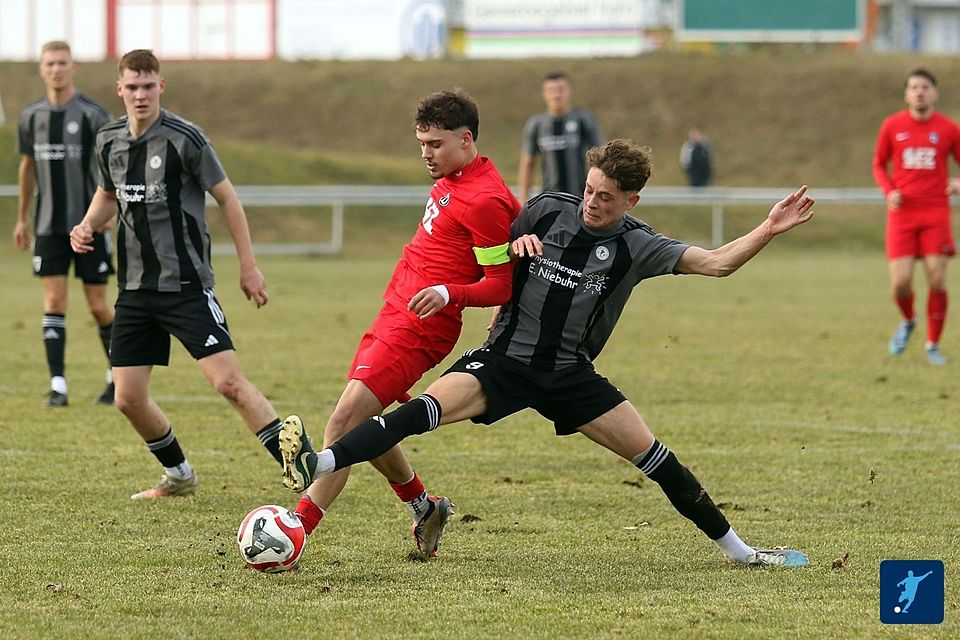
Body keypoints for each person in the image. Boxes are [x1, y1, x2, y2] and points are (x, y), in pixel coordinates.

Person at [280, 140, 814, 568]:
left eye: (607, 196)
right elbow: (494, 264)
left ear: (632, 201)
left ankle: (742, 553)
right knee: (416, 415)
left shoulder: (637, 244)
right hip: (505, 362)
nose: (592, 201)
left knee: (655, 458)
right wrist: (513, 249)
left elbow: (717, 263)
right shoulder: (544, 211)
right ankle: (319, 461)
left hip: (569, 376)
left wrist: (768, 228)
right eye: (589, 189)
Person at [279, 88, 520, 558]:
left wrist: (450, 293)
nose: (425, 154)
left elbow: (500, 284)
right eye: (421, 144)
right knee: (368, 424)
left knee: (344, 424)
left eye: (434, 144)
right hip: (393, 314)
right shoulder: (455, 178)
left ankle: (294, 531)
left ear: (466, 139)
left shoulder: (486, 200)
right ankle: (424, 508)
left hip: (419, 330)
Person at [69, 49, 287, 499]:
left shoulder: (186, 139)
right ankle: (180, 476)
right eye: (132, 87)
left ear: (160, 86)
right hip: (134, 289)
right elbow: (108, 194)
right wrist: (89, 224)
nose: (140, 95)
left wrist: (249, 267)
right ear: (120, 89)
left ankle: (303, 468)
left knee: (229, 383)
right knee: (127, 398)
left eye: (148, 86)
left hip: (186, 285)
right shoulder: (108, 139)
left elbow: (228, 200)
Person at [15, 40, 115, 407]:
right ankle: (58, 386)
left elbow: (113, 166)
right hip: (47, 226)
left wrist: (110, 214)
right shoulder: (31, 117)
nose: (56, 69)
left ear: (73, 67)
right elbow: (27, 167)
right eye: (50, 63)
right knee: (54, 300)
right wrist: (22, 218)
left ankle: (115, 378)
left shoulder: (92, 114)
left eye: (62, 62)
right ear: (41, 69)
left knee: (98, 306)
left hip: (88, 227)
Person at [872, 68, 960, 365]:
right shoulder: (892, 125)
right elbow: (878, 164)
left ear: (934, 92)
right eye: (913, 87)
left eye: (924, 87)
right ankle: (909, 320)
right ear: (906, 93)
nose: (919, 92)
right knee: (901, 283)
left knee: (937, 279)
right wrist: (889, 191)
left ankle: (932, 345)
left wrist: (957, 183)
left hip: (936, 212)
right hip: (902, 214)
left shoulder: (948, 129)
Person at [517, 71, 603, 203]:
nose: (556, 95)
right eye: (551, 90)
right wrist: (523, 199)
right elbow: (527, 163)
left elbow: (602, 159)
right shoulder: (536, 125)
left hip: (580, 199)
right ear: (544, 94)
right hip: (549, 201)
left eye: (561, 90)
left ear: (569, 92)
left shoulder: (583, 120)